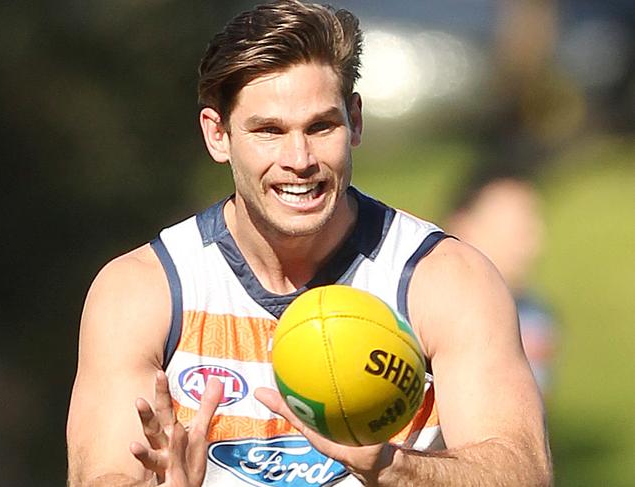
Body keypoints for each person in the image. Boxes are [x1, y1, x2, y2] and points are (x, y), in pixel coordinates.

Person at [66, 1, 552, 485]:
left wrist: (391, 468)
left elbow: (523, 473)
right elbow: (102, 474)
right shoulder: (142, 292)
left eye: (321, 127)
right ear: (218, 135)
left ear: (355, 120)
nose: (299, 159)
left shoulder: (443, 280)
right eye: (269, 131)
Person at [446, 176, 558, 397]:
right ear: (463, 226)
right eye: (516, 230)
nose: (532, 245)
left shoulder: (536, 316)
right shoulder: (412, 307)